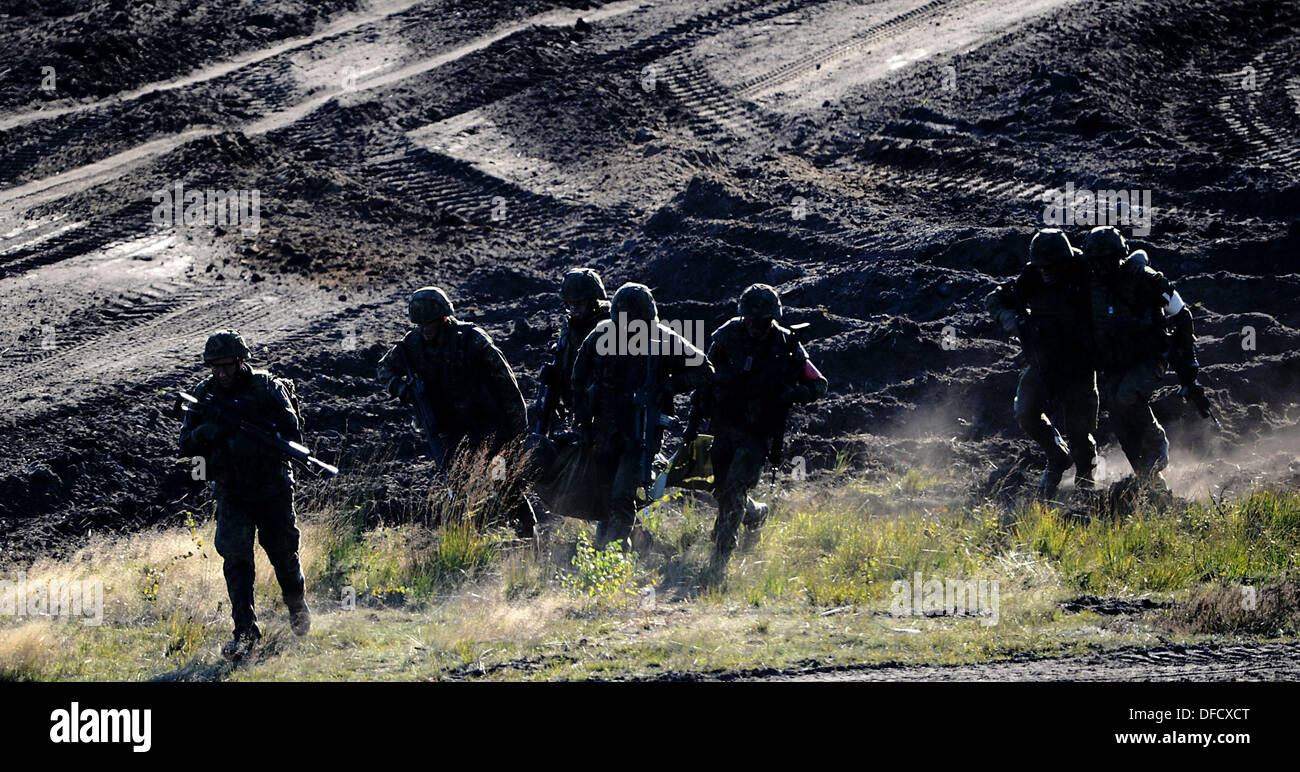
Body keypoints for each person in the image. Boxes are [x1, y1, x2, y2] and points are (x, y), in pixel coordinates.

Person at [178, 330, 310, 661]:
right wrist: (210, 431)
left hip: (272, 489)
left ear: (241, 361)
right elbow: (186, 446)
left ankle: (296, 604)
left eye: (228, 366)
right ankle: (245, 634)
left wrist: (251, 436)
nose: (221, 374)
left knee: (283, 553)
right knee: (237, 560)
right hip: (231, 491)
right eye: (215, 367)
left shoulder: (267, 388)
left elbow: (291, 433)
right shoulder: (204, 396)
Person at [377, 286, 535, 535]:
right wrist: (403, 389)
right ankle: (471, 539)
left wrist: (518, 432)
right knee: (458, 485)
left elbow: (507, 385)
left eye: (430, 323)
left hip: (490, 427)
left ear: (443, 319)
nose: (425, 329)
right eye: (420, 325)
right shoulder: (413, 345)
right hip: (451, 429)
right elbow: (384, 369)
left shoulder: (471, 339)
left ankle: (528, 529)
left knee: (503, 480)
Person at [570, 282, 712, 550]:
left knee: (623, 495)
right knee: (605, 496)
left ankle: (613, 559)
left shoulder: (665, 339)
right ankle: (635, 540)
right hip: (604, 432)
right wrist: (583, 421)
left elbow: (705, 370)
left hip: (640, 436)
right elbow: (577, 379)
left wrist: (669, 386)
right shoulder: (601, 337)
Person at [701, 284, 826, 578]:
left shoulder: (786, 344)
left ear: (773, 318)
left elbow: (818, 384)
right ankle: (755, 513)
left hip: (755, 432)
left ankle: (719, 558)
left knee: (735, 487)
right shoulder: (726, 336)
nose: (756, 326)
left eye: (763, 321)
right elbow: (705, 372)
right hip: (723, 425)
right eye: (751, 320)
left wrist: (788, 394)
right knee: (721, 491)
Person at [1080, 226, 1205, 485]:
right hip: (1115, 361)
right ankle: (1146, 476)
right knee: (1116, 413)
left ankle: (1158, 448)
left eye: (1106, 260)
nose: (1101, 267)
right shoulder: (1091, 284)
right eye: (1096, 262)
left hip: (1149, 359)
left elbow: (1182, 316)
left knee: (1127, 397)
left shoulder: (1146, 280)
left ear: (1119, 256)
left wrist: (1189, 370)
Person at [986, 229, 1098, 498]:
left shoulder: (1085, 271)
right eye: (1041, 266)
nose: (1046, 271)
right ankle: (1057, 456)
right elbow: (994, 299)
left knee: (1079, 429)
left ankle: (1086, 479)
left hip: (1079, 364)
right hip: (1044, 361)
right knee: (1025, 411)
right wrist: (1006, 315)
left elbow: (1115, 286)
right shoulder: (1029, 278)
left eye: (1051, 266)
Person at [533, 268, 611, 435]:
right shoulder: (569, 327)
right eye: (570, 304)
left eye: (579, 303)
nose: (573, 308)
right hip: (576, 407)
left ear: (592, 301)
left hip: (604, 414)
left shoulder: (608, 328)